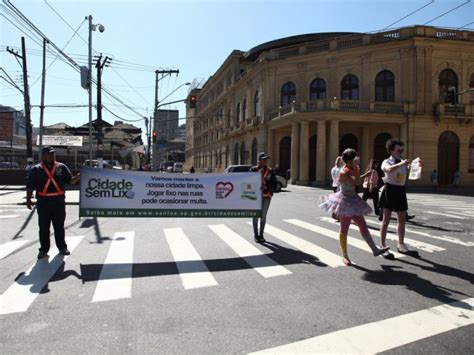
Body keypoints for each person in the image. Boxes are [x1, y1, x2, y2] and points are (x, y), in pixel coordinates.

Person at [319, 148, 390, 266]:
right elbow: (356, 182)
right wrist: (357, 168)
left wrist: (365, 174)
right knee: (344, 228)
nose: (356, 161)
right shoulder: (345, 171)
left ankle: (374, 249)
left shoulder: (351, 168)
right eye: (354, 159)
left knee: (362, 225)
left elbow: (356, 180)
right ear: (348, 161)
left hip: (353, 199)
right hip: (344, 201)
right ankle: (345, 256)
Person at [26, 146, 80, 259]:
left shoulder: (61, 167)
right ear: (43, 156)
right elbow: (30, 185)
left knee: (59, 226)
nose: (52, 155)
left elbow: (70, 180)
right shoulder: (36, 169)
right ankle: (43, 250)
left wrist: (77, 177)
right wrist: (28, 199)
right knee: (44, 227)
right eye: (49, 154)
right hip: (43, 202)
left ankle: (62, 247)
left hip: (58, 202)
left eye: (53, 153)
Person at [379, 138, 421, 259]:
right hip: (390, 190)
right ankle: (382, 246)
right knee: (386, 220)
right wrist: (402, 164)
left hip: (400, 191)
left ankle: (401, 245)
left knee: (402, 220)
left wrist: (418, 165)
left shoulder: (403, 162)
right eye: (399, 149)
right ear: (391, 150)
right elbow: (388, 170)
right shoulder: (386, 161)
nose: (401, 151)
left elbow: (414, 174)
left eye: (402, 149)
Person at [250, 152, 277, 243]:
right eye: (264, 159)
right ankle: (256, 235)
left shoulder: (270, 171)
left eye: (266, 159)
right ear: (259, 160)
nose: (265, 161)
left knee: (263, 216)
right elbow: (248, 183)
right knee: (255, 216)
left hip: (266, 196)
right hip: (255, 197)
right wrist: (258, 175)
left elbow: (274, 184)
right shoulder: (253, 170)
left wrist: (267, 187)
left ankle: (261, 235)